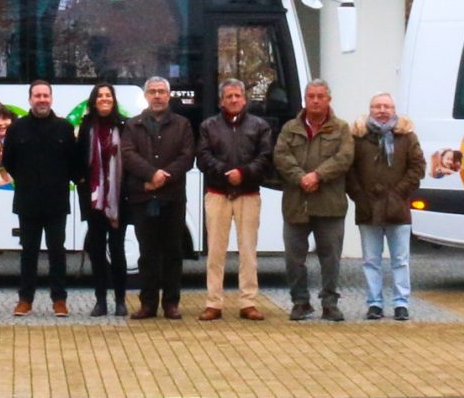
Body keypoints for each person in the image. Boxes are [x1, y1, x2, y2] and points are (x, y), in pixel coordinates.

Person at [272, 79, 352, 322]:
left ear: (328, 99)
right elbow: (281, 156)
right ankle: (300, 302)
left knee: (330, 258)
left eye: (320, 96)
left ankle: (330, 303)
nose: (315, 101)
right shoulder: (290, 128)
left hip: (330, 204)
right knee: (294, 258)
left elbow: (344, 158)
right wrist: (301, 178)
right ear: (305, 100)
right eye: (311, 96)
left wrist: (318, 175)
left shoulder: (342, 128)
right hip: (297, 203)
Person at [196, 78, 275, 321]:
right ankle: (213, 303)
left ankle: (248, 302)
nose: (233, 100)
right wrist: (225, 173)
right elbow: (202, 157)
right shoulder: (209, 126)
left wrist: (244, 173)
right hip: (218, 194)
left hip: (248, 194)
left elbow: (266, 157)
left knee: (248, 252)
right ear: (221, 100)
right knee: (216, 252)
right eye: (228, 96)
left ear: (244, 99)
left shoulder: (259, 126)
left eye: (237, 96)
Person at [121, 75, 194, 320]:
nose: (157, 95)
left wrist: (166, 176)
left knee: (173, 252)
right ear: (145, 96)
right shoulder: (133, 125)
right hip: (144, 197)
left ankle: (171, 303)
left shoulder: (182, 124)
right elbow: (128, 154)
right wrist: (151, 174)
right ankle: (148, 304)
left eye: (162, 91)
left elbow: (187, 156)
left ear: (169, 95)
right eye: (152, 91)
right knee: (147, 252)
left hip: (172, 197)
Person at [3, 79, 77, 317]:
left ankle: (59, 300)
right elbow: (9, 162)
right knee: (28, 252)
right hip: (27, 201)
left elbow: (72, 163)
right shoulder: (17, 128)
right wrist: (27, 180)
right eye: (37, 96)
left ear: (51, 98)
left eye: (46, 95)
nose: (42, 99)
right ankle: (25, 299)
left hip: (56, 201)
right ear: (30, 99)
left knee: (57, 251)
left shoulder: (65, 128)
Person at [348, 92, 423, 321]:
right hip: (367, 207)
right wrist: (359, 195)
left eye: (387, 106)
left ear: (394, 110)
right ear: (370, 109)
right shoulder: (358, 137)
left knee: (400, 260)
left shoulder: (407, 136)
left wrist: (399, 193)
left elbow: (417, 167)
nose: (382, 110)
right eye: (377, 106)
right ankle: (374, 303)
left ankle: (401, 303)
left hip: (397, 208)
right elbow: (348, 170)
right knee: (371, 260)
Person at [72, 82, 129, 316]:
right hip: (94, 200)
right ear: (93, 100)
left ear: (113, 100)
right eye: (100, 95)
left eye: (108, 95)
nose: (104, 99)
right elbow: (75, 159)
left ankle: (120, 300)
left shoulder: (125, 127)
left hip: (118, 199)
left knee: (117, 249)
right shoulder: (85, 127)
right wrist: (82, 181)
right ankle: (100, 300)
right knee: (96, 250)